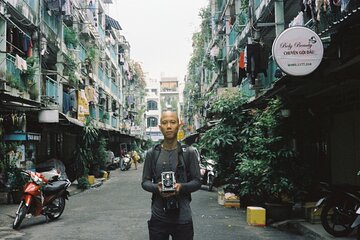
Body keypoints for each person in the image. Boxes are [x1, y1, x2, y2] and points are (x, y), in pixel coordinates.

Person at [141, 110, 201, 240]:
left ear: (179, 125)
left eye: (173, 122)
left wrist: (181, 187)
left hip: (183, 218)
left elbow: (197, 181)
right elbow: (145, 182)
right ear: (160, 127)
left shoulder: (188, 152)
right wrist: (157, 188)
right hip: (158, 217)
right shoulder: (152, 153)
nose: (169, 126)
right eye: (165, 122)